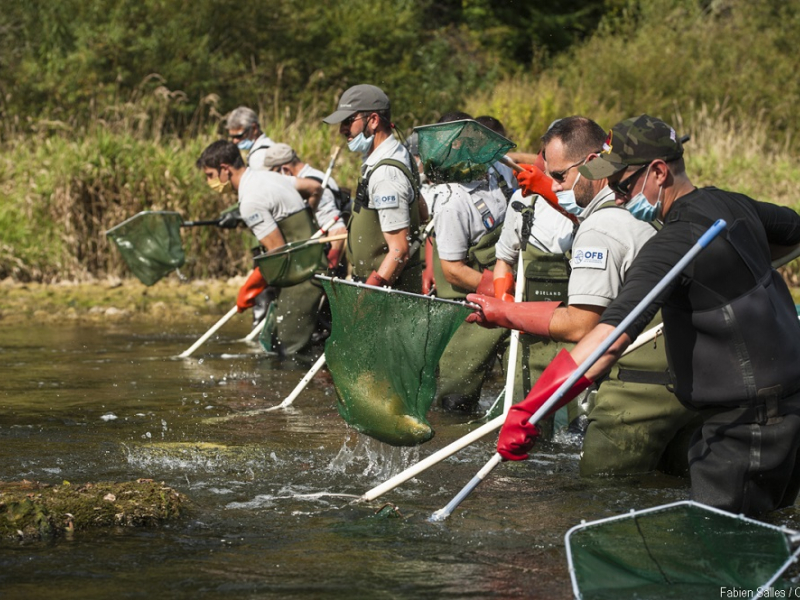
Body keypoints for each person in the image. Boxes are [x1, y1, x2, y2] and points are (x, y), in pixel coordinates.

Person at [478, 114, 800, 516]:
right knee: (773, 536)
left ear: (659, 172)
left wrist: (531, 410)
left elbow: (607, 340)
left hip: (747, 424)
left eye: (622, 185)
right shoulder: (730, 204)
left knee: (721, 550)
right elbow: (792, 231)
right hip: (785, 405)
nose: (615, 197)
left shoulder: (674, 245)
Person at [473, 116, 698, 477]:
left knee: (597, 496)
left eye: (559, 177)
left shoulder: (603, 225)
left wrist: (505, 313)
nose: (553, 186)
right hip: (690, 382)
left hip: (636, 391)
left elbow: (583, 324)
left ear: (592, 163)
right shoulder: (664, 207)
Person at [196, 140, 324, 356]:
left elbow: (278, 253)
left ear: (225, 169)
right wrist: (308, 216)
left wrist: (250, 288)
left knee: (284, 352)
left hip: (302, 279)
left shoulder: (250, 201)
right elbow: (315, 187)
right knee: (291, 345)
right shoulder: (269, 177)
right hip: (313, 267)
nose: (209, 181)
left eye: (210, 175)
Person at [426, 113, 510, 412]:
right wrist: (504, 293)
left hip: (512, 307)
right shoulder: (452, 201)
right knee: (455, 404)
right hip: (471, 310)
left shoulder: (499, 170)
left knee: (525, 395)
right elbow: (453, 271)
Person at [323, 84, 426, 292]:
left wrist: (367, 298)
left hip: (385, 293)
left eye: (348, 121)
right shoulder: (398, 153)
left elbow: (399, 250)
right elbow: (423, 213)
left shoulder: (386, 173)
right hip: (381, 287)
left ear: (373, 120)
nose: (343, 129)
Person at [261, 143, 348, 271]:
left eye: (274, 175)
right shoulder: (318, 175)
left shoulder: (314, 187)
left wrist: (330, 268)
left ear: (284, 169)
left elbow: (338, 230)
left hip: (328, 260)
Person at [226, 106, 276, 171]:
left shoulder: (258, 156)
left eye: (239, 136)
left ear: (254, 128)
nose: (235, 141)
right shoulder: (269, 144)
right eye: (232, 137)